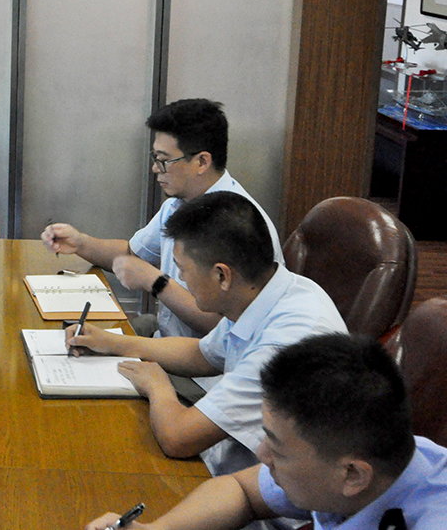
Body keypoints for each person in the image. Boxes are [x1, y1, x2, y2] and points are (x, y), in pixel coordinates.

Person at [65, 192, 345, 479]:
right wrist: (112, 342)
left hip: (260, 491)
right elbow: (202, 354)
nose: (181, 279)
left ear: (222, 275)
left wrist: (157, 386)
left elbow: (177, 438)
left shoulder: (283, 344)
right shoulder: (270, 292)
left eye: (183, 269)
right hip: (231, 463)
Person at [84, 333, 447, 530]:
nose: (261, 455)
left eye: (278, 449)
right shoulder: (364, 461)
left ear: (353, 474)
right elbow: (242, 490)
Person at [42, 98, 283, 341]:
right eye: (155, 157)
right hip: (166, 339)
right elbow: (133, 254)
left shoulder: (239, 224)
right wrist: (81, 243)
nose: (156, 168)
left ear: (201, 162)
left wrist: (156, 282)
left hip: (204, 361)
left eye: (164, 160)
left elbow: (223, 329)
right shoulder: (178, 204)